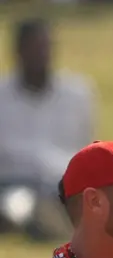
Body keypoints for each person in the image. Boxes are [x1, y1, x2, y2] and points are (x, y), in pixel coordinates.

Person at [0, 17, 94, 238]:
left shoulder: (77, 93)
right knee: (16, 202)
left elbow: (84, 145)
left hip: (62, 184)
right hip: (13, 183)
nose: (40, 55)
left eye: (44, 48)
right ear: (18, 52)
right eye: (33, 48)